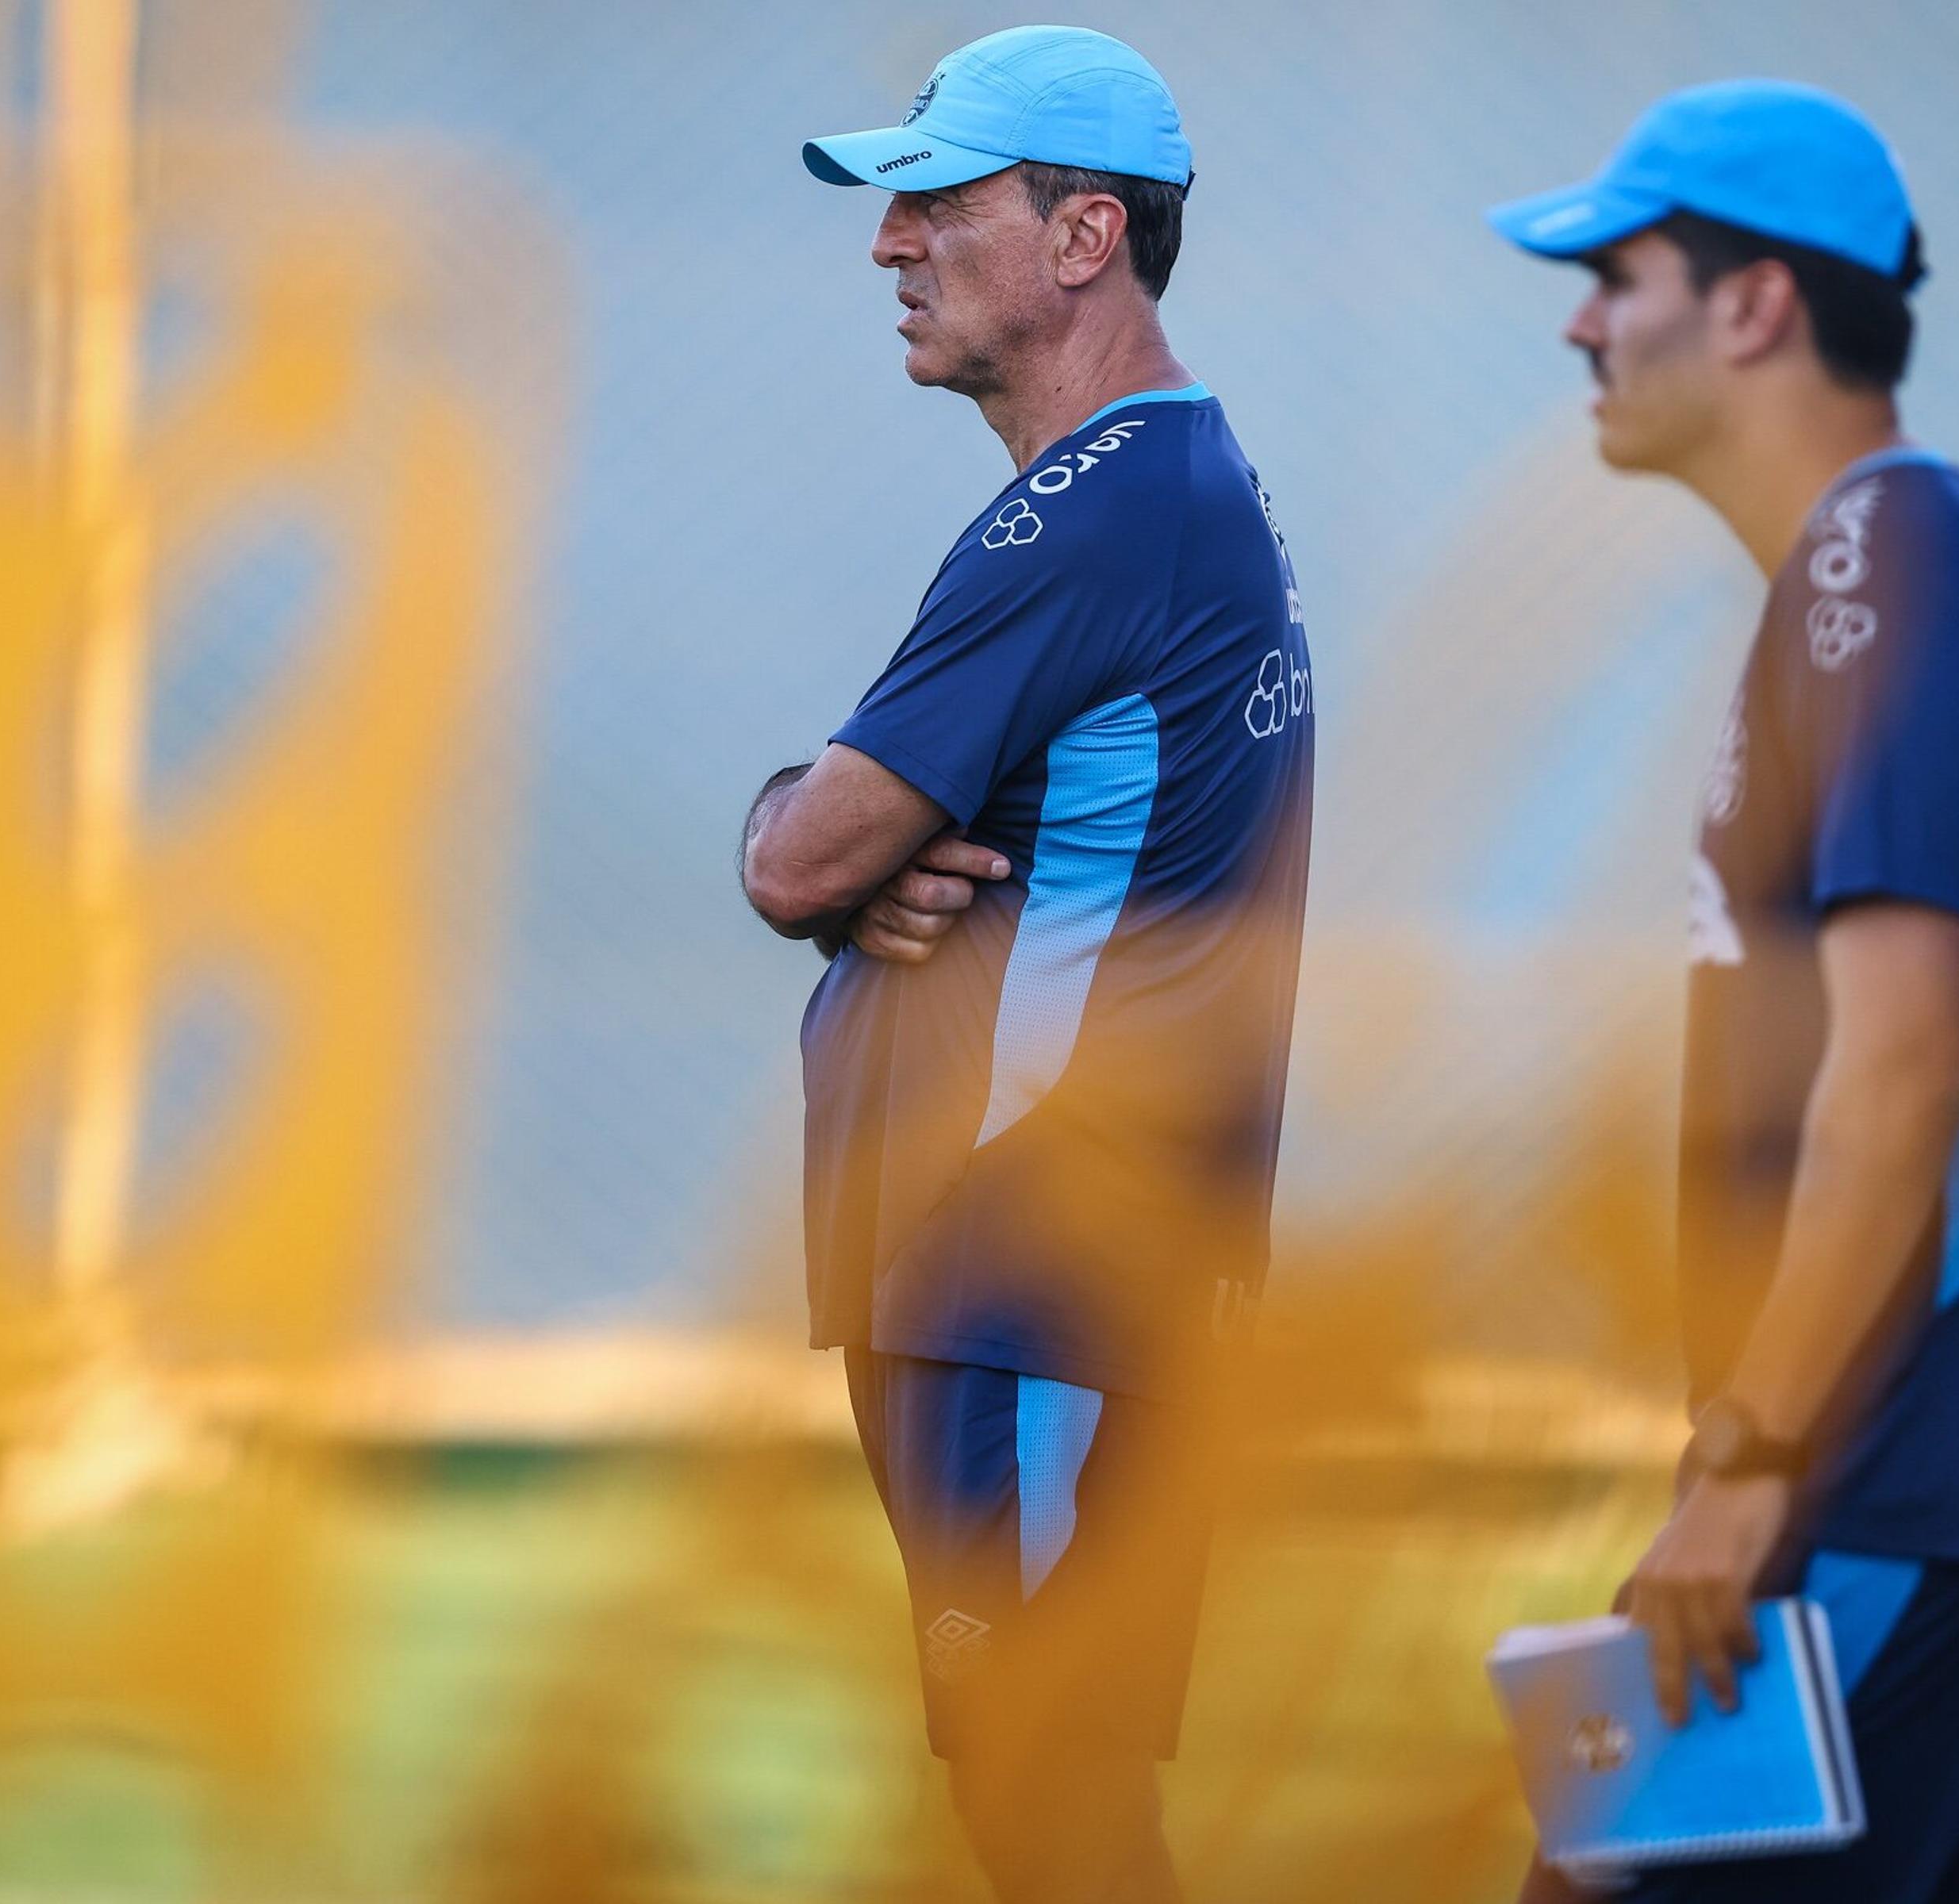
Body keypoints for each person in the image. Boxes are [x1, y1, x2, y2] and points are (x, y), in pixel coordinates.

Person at [1487, 81, 1959, 1902]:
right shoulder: (1895, 569)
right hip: (1941, 1483)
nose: (1577, 318)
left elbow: (1906, 1067)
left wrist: (1752, 1462)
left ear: (1757, 305)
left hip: (1888, 1474)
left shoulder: (1883, 561)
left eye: (1616, 272)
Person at [739, 27, 1314, 1902]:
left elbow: (803, 854)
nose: (889, 245)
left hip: (1029, 1269)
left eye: (937, 201)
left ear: (1085, 238)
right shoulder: (1158, 488)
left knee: (1048, 1807)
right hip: (1031, 1278)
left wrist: (824, 865)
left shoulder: (1100, 510)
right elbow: (863, 847)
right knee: (1039, 1806)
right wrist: (851, 864)